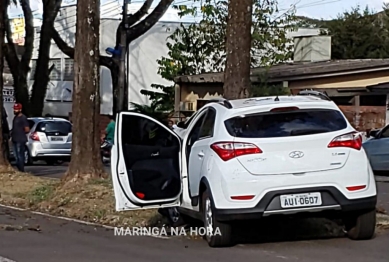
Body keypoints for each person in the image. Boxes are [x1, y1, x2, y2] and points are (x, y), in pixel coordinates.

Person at [11, 103, 30, 172]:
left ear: (20, 109)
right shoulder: (15, 118)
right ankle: (19, 168)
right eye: (14, 109)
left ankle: (21, 169)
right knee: (16, 156)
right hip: (14, 139)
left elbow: (27, 129)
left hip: (21, 139)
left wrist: (21, 132)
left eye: (16, 109)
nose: (14, 110)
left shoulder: (23, 118)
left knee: (20, 155)